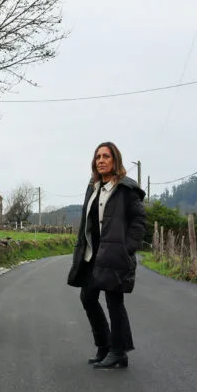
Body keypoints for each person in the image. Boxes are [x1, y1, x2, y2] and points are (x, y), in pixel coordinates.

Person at [67, 142, 146, 369]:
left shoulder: (125, 189)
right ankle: (104, 346)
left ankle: (119, 351)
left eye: (106, 156)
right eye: (98, 157)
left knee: (114, 302)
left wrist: (127, 248)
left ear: (115, 161)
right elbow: (87, 223)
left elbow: (139, 222)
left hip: (114, 254)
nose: (101, 160)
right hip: (92, 255)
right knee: (88, 298)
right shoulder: (93, 187)